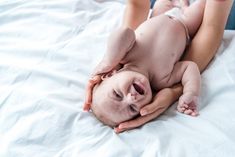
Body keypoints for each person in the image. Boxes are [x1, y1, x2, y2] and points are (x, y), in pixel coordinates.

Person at [84, 0, 233, 133]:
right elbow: (189, 67)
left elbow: (125, 33)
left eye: (117, 94)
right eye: (132, 108)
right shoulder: (163, 80)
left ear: (110, 74)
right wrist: (189, 92)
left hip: (159, 14)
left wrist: (109, 60)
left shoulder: (126, 56)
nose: (131, 98)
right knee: (203, 5)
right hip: (185, 23)